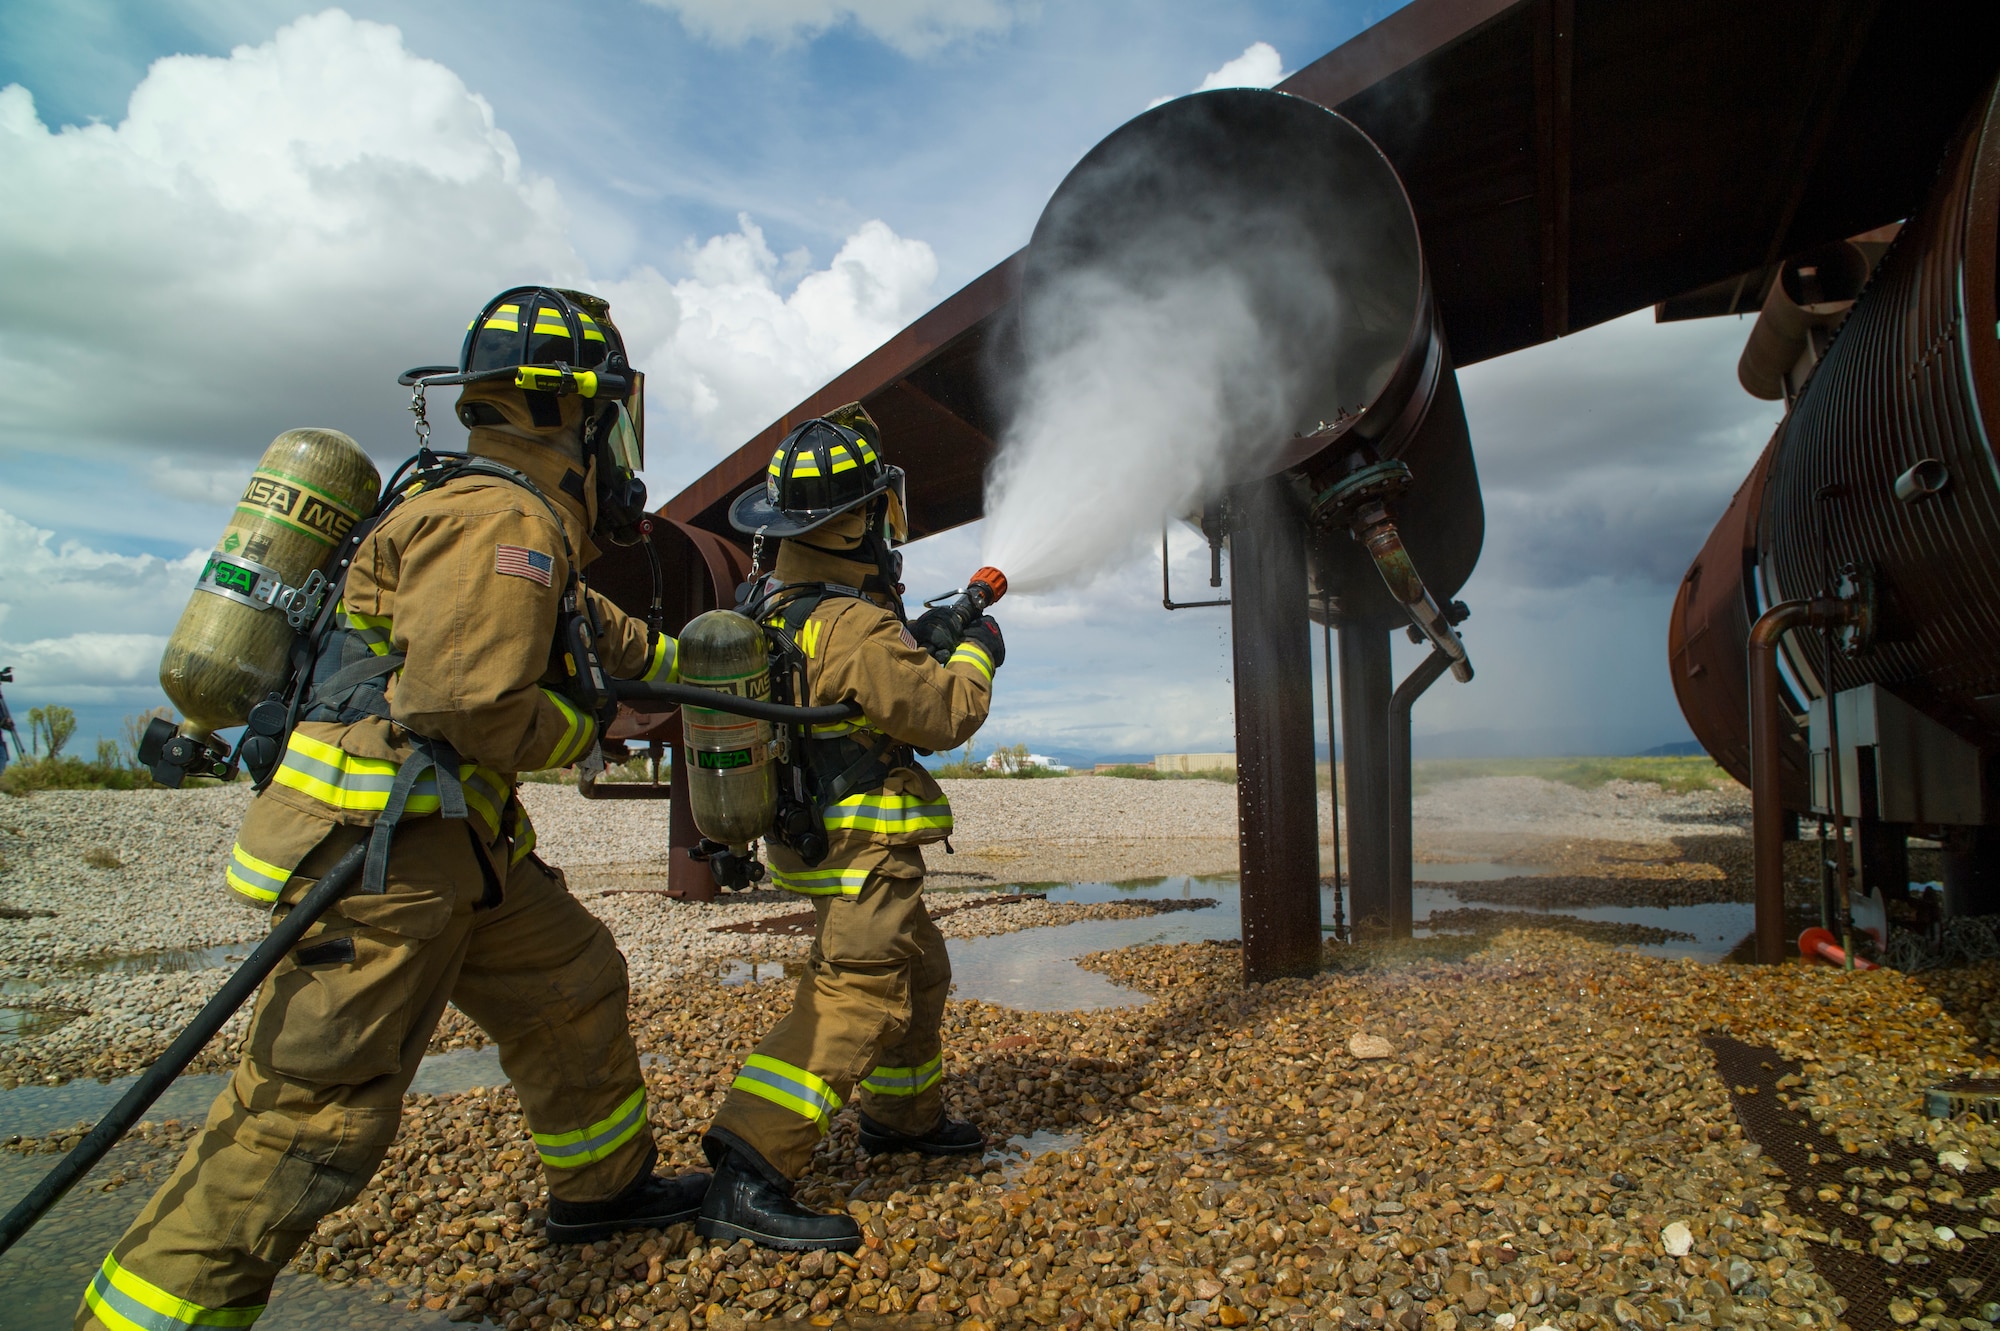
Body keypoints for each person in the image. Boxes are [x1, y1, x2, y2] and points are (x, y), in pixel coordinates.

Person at [78, 287, 706, 1331]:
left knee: (573, 982)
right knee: (307, 1123)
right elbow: (468, 703)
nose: (616, 446)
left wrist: (715, 659)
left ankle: (603, 1192)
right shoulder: (501, 517)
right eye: (611, 416)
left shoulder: (498, 514)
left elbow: (592, 631)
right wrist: (585, 731)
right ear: (570, 414)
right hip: (381, 863)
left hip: (458, 850)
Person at [695, 408, 1004, 1251]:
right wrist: (976, 647)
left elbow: (864, 689)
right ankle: (749, 1170)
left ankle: (902, 1117)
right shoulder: (856, 626)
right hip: (864, 850)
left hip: (814, 839)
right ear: (856, 518)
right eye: (879, 510)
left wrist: (922, 635)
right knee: (853, 998)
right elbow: (943, 712)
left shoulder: (778, 603)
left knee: (919, 969)